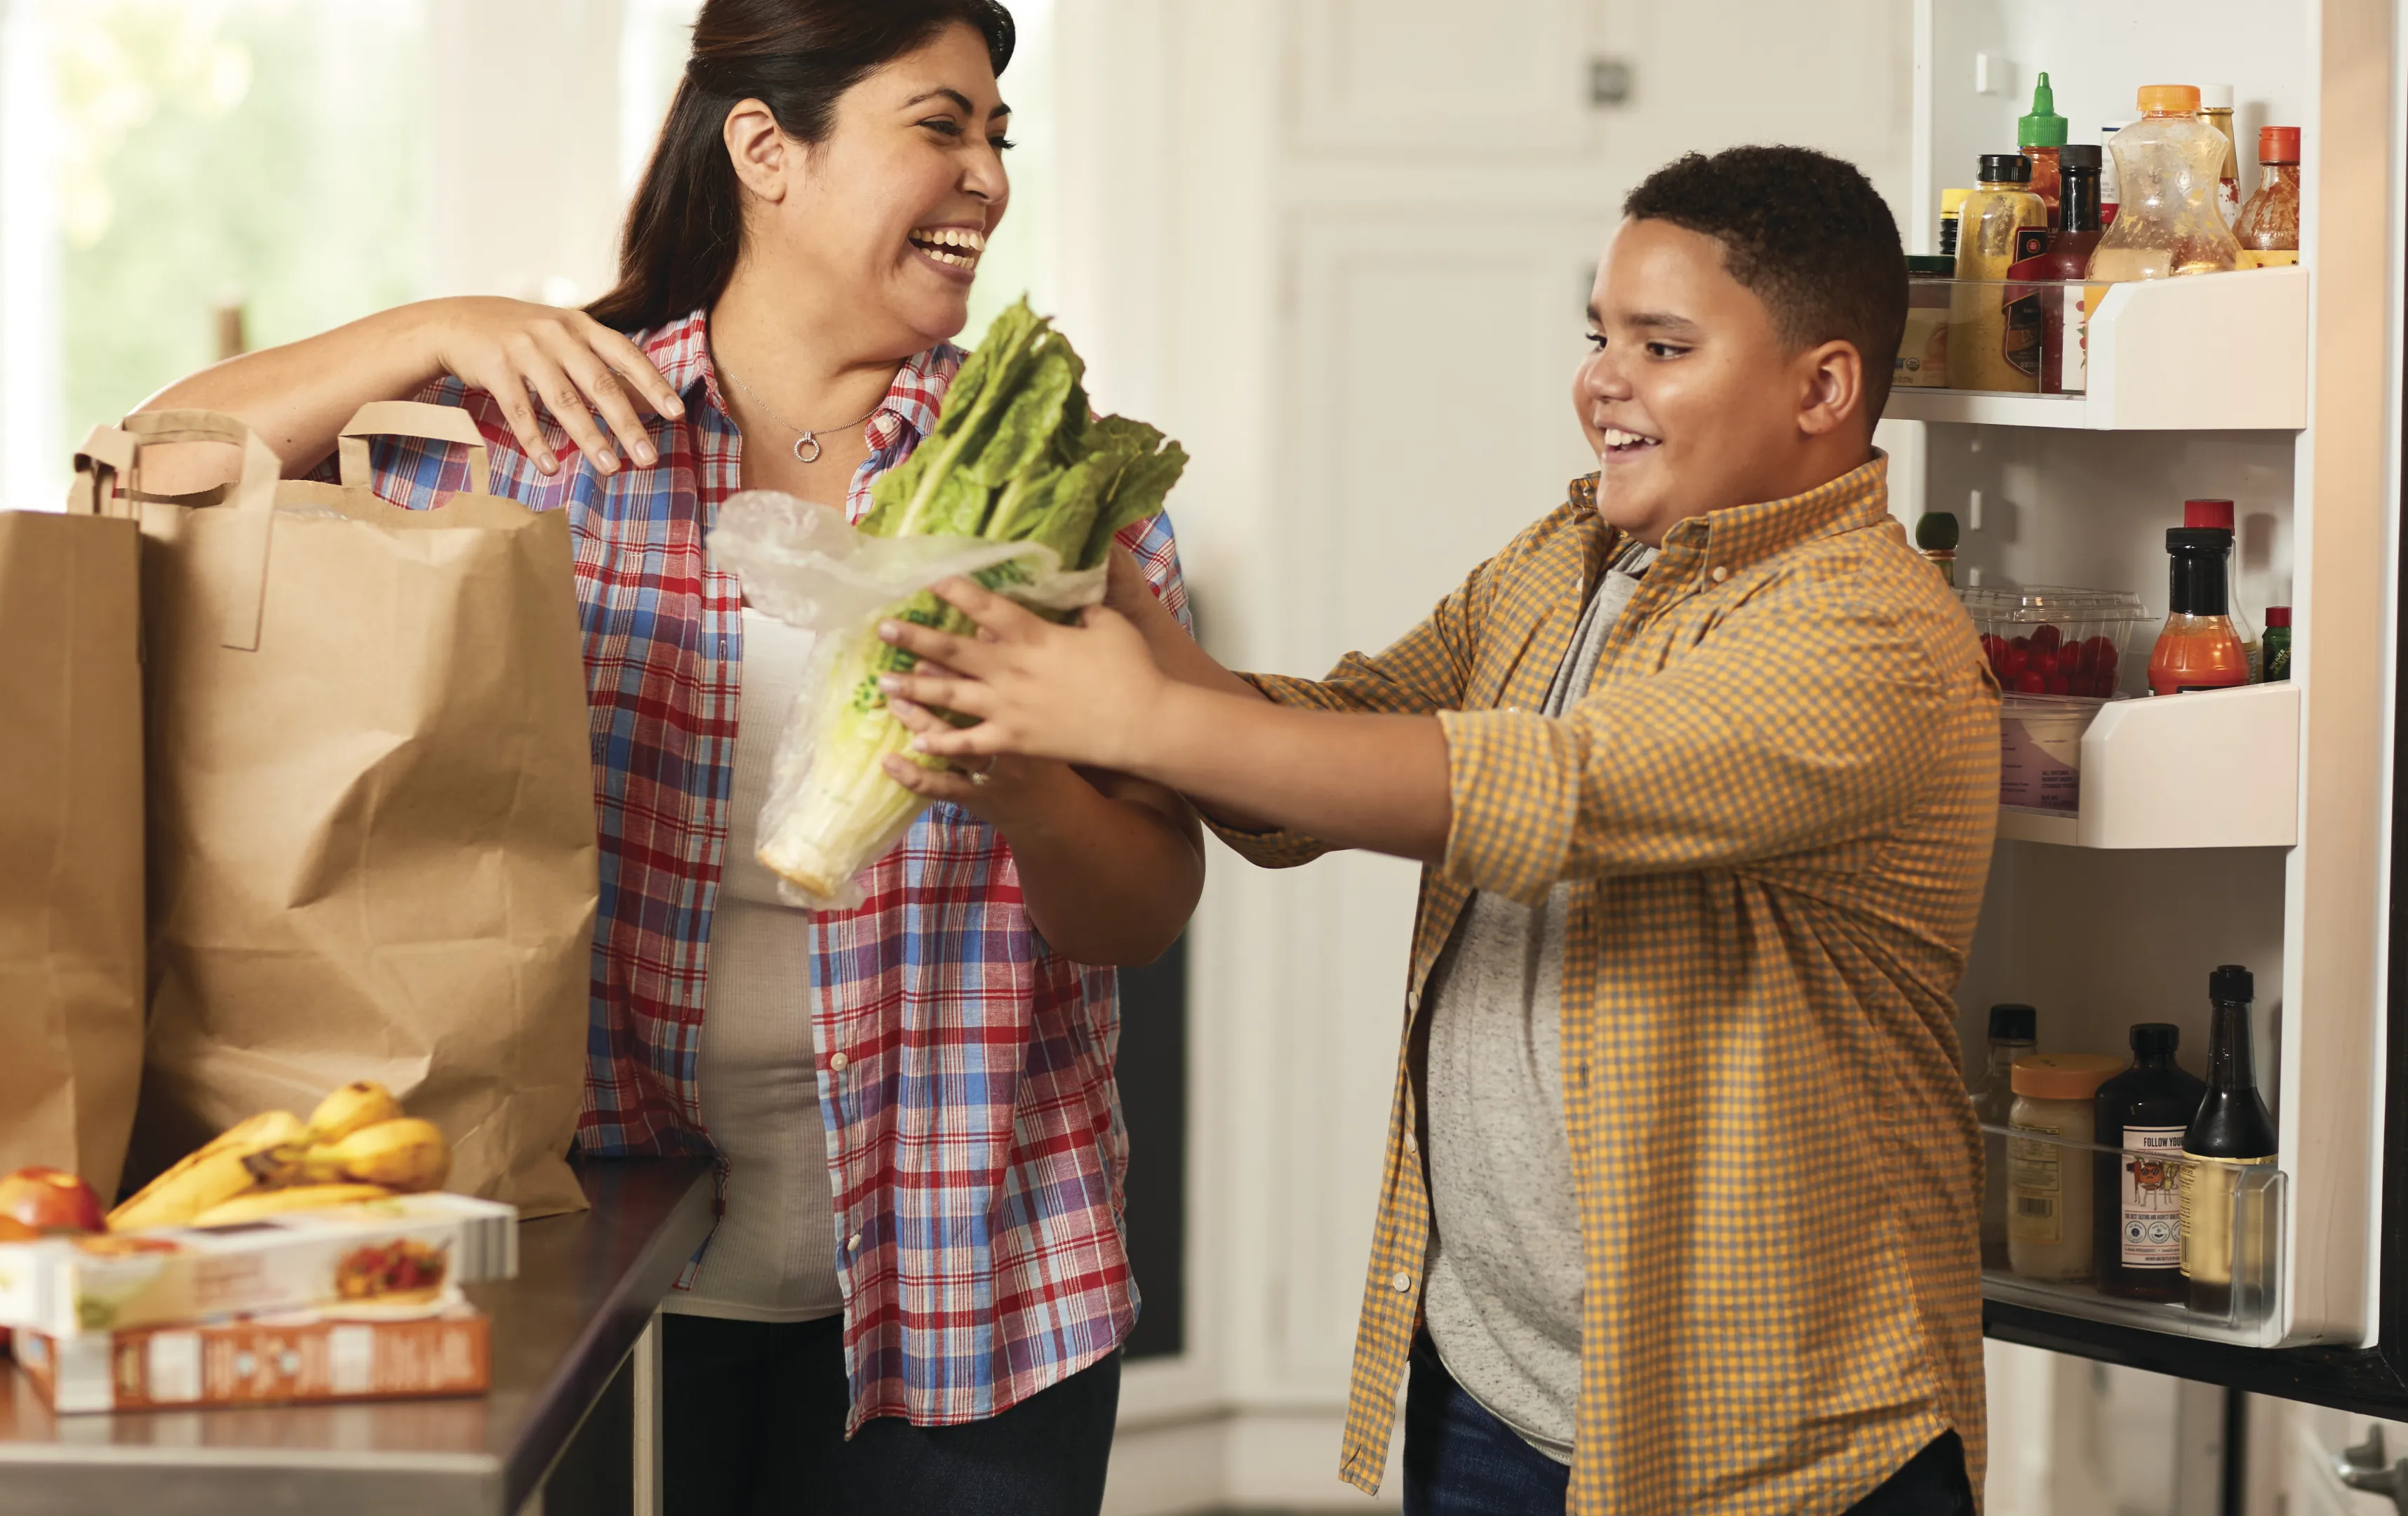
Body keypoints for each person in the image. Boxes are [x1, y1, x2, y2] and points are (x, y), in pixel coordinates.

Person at [140, 4, 1198, 1512]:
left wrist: (1018, 781)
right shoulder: (546, 426)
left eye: (998, 136)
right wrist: (430, 328)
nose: (988, 178)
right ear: (768, 147)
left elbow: (1144, 909)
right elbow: (150, 469)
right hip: (597, 1276)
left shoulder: (1057, 491)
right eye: (941, 126)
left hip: (981, 1294)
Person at [866, 145, 2000, 1515]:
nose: (1603, 380)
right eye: (1600, 334)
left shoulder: (1872, 639)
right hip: (1492, 1387)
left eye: (1663, 344)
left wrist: (1131, 721)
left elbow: (1543, 789)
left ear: (1822, 387)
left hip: (1774, 1442)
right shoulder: (1570, 558)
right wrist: (1109, 595)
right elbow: (1334, 744)